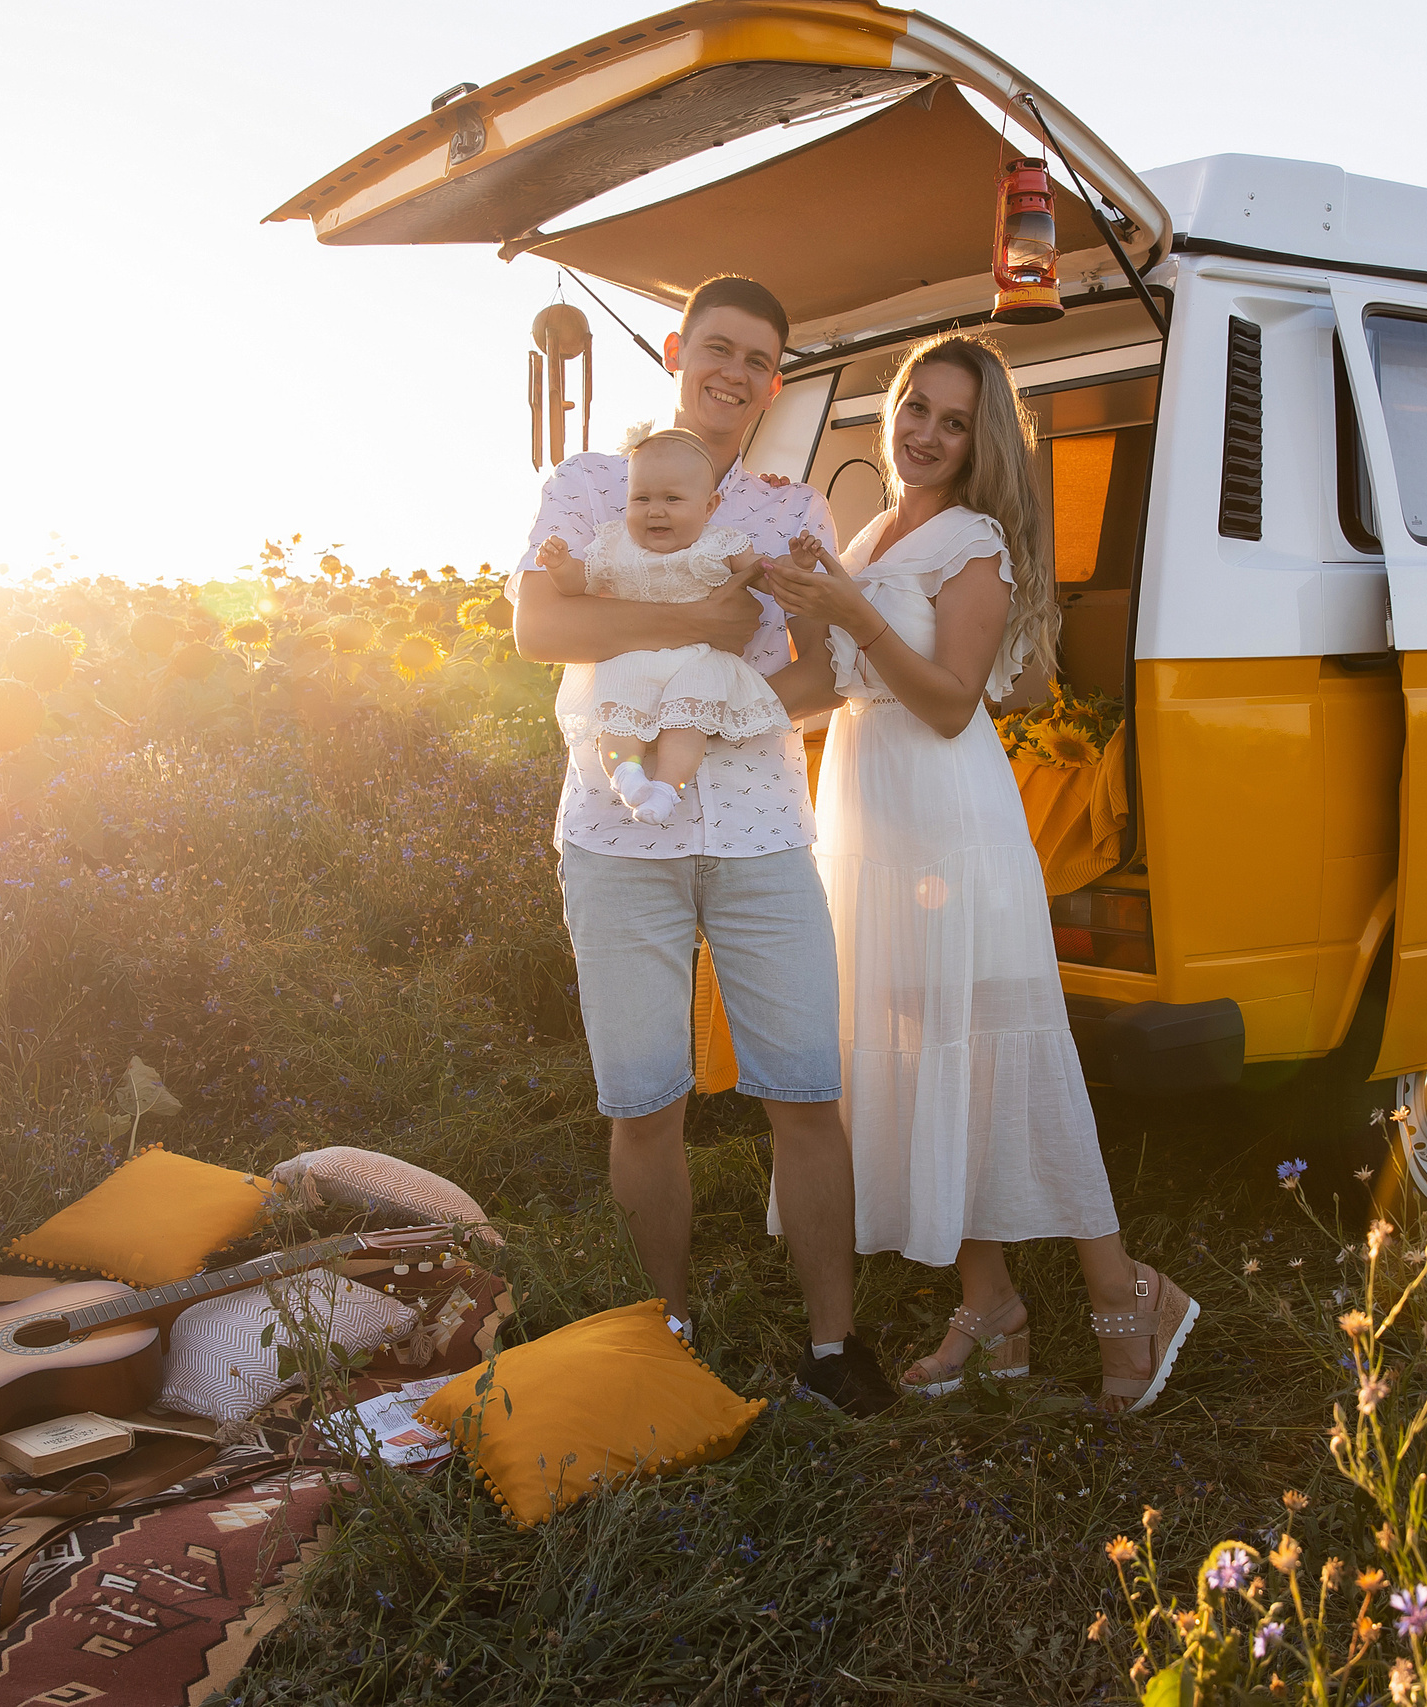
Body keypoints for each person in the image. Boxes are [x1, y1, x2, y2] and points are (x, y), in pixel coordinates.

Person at [763, 331, 1198, 1415]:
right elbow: (827, 689)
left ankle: (1127, 1294)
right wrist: (688, 702)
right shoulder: (867, 530)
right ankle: (990, 1302)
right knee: (918, 1054)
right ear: (894, 409)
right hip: (869, 818)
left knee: (1007, 1052)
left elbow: (955, 700)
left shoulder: (975, 543)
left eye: (952, 422)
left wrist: (852, 611)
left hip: (952, 821)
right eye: (916, 409)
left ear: (978, 440)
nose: (924, 435)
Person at [508, 274, 896, 1418]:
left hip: (764, 832)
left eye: (759, 359)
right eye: (717, 347)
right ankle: (664, 1336)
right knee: (644, 1102)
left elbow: (822, 675)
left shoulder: (794, 510)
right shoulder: (586, 485)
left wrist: (727, 705)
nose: (735, 372)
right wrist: (701, 624)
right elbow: (540, 626)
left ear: (775, 379)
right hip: (614, 837)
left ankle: (834, 1346)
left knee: (805, 1093)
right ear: (678, 350)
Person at [537, 425, 791, 826]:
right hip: (631, 652)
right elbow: (579, 583)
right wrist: (558, 565)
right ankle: (626, 775)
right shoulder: (615, 544)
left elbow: (767, 574)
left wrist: (800, 566)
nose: (655, 510)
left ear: (709, 507)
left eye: (672, 499)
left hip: (698, 660)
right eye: (642, 499)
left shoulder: (720, 543)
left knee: (687, 725)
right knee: (617, 712)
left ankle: (667, 787)